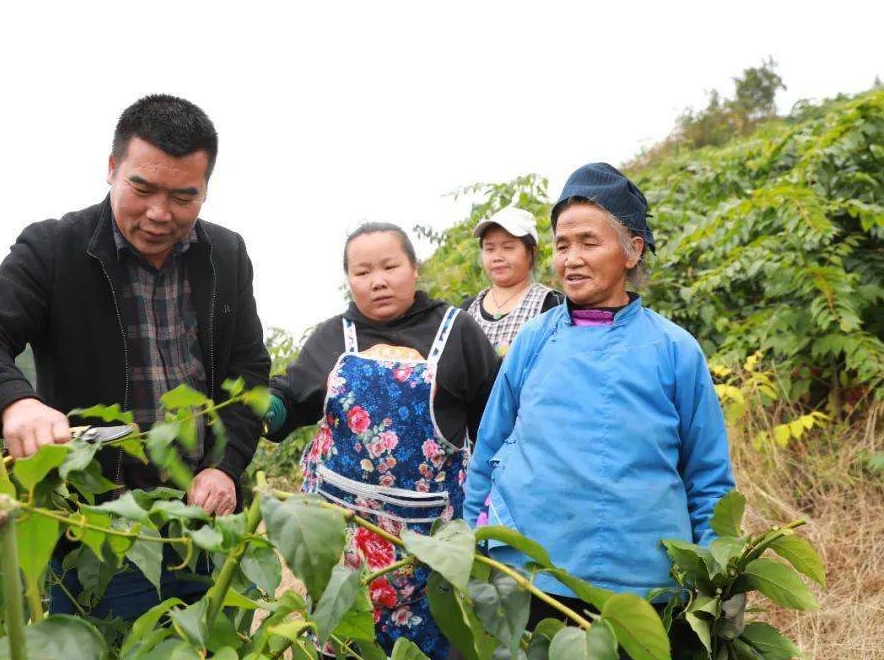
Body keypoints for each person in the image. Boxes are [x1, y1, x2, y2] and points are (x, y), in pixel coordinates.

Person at [0, 94, 270, 622]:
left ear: (206, 191)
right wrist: (15, 403)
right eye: (143, 189)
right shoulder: (55, 248)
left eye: (184, 196)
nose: (160, 213)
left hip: (209, 526)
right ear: (113, 169)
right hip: (98, 532)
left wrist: (225, 469)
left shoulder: (226, 256)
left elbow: (249, 372)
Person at [464, 162, 735, 630]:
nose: (571, 258)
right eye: (562, 245)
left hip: (643, 587)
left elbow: (708, 478)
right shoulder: (533, 341)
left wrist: (718, 582)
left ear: (632, 251)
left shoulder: (674, 351)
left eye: (589, 242)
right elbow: (487, 450)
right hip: (530, 576)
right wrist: (472, 542)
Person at [263, 222, 499, 658]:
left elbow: (495, 423)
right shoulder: (334, 336)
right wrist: (265, 407)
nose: (378, 280)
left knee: (437, 643)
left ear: (414, 267)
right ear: (349, 280)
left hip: (431, 545)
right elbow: (291, 397)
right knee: (348, 640)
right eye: (362, 272)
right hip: (347, 541)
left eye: (390, 266)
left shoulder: (457, 331)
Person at [461, 206, 561, 355]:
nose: (497, 257)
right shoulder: (468, 309)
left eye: (508, 247)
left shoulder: (551, 304)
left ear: (532, 252)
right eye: (489, 249)